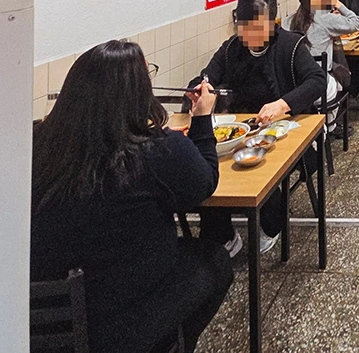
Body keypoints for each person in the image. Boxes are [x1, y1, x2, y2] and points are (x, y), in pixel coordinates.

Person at [31, 41, 232, 353]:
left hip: (39, 321)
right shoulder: (156, 150)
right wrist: (203, 117)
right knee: (214, 259)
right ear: (136, 91)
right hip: (119, 318)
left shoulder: (38, 146)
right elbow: (204, 182)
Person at [192, 0, 328, 255]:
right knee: (207, 166)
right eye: (244, 28)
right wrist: (200, 86)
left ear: (273, 23)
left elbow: (317, 80)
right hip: (240, 129)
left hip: (284, 130)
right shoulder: (231, 49)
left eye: (258, 28)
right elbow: (207, 76)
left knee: (261, 169)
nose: (250, 35)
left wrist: (282, 104)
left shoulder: (290, 45)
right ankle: (223, 236)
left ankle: (272, 225)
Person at [285, 0, 359, 129]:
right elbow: (356, 23)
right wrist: (336, 3)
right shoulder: (325, 19)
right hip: (319, 90)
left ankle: (323, 123)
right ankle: (330, 124)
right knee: (341, 78)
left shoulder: (288, 21)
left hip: (292, 90)